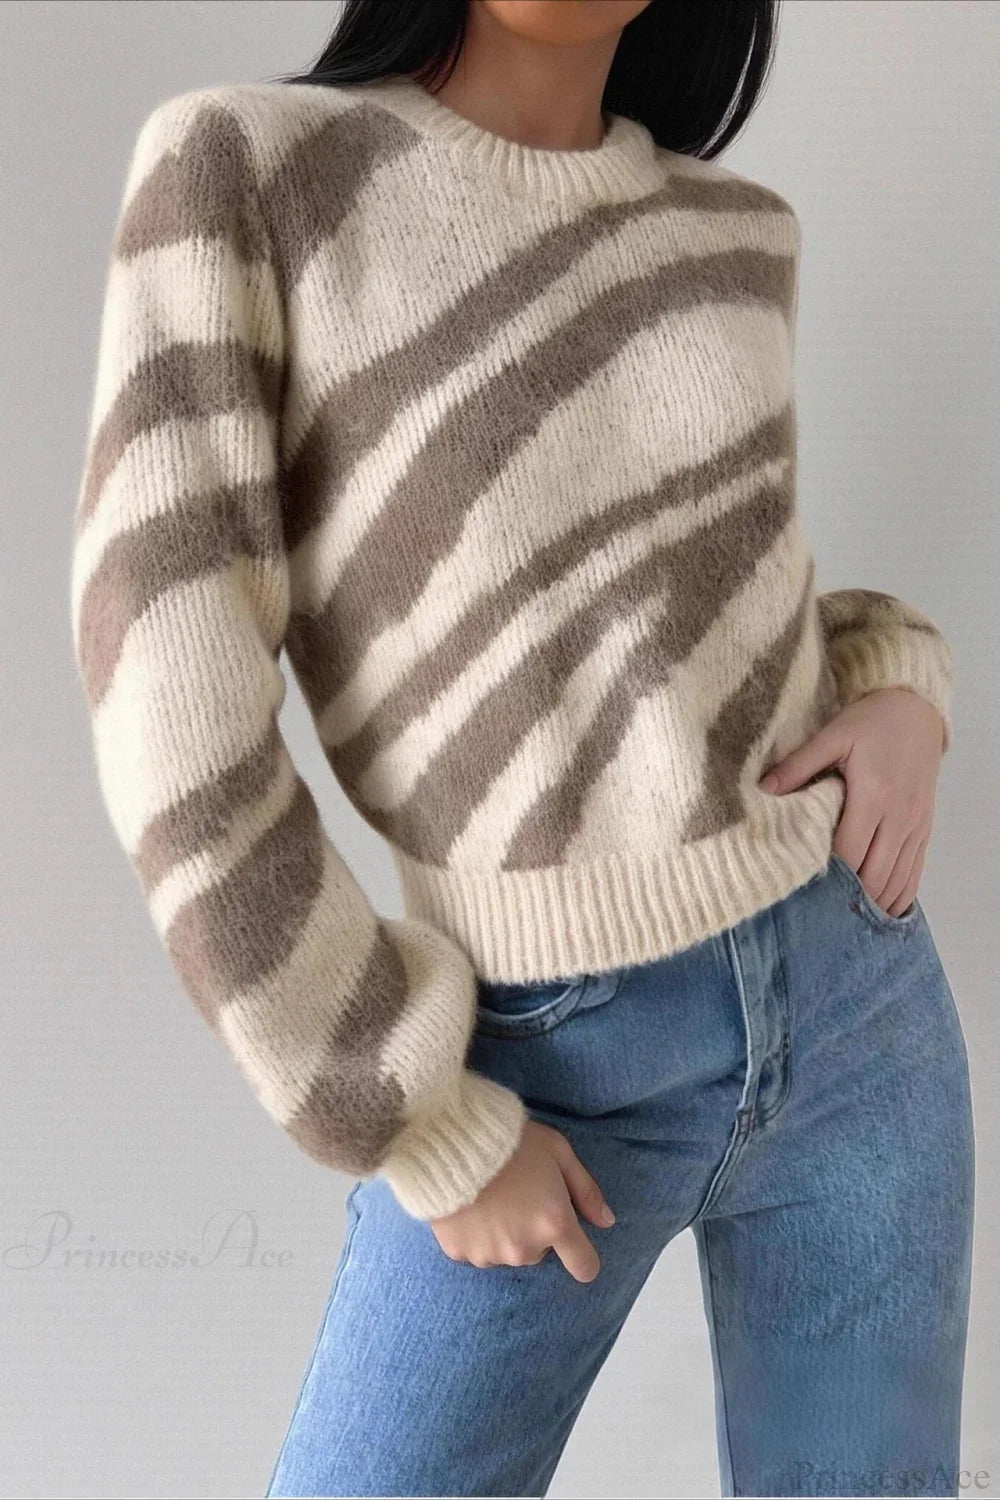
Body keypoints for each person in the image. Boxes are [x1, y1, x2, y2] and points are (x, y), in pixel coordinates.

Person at [69, 0, 974, 1495]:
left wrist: (903, 688)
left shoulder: (734, 234)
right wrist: (411, 1114)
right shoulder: (249, 170)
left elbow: (715, 622)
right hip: (537, 1058)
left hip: (859, 1006)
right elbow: (166, 683)